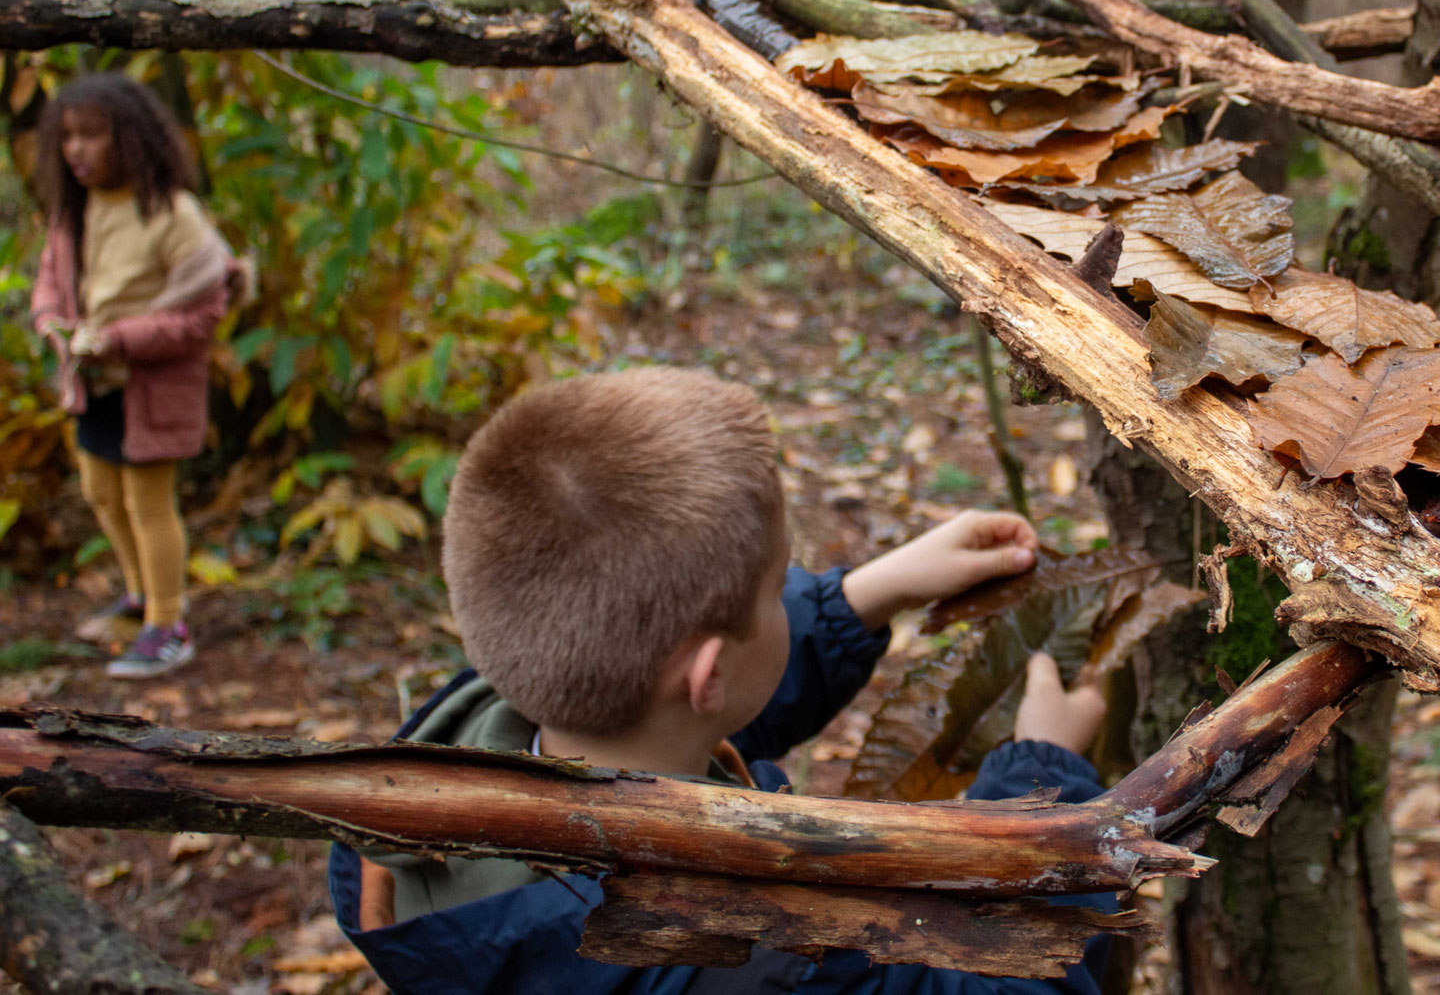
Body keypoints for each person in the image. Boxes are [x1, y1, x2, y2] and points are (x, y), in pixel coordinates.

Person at [329, 365, 1112, 994]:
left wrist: (862, 596)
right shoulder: (773, 954)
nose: (788, 593)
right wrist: (1047, 788)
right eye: (780, 587)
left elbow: (688, 700)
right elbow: (1010, 976)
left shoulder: (466, 750)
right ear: (705, 674)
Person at [29, 73, 243, 679]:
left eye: (92, 135)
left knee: (149, 503)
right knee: (100, 491)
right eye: (68, 136)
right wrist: (51, 319)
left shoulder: (172, 214)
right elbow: (51, 276)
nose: (77, 149)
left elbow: (204, 311)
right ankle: (138, 595)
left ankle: (168, 625)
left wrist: (119, 340)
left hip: (153, 389)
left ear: (132, 138)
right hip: (92, 384)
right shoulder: (74, 208)